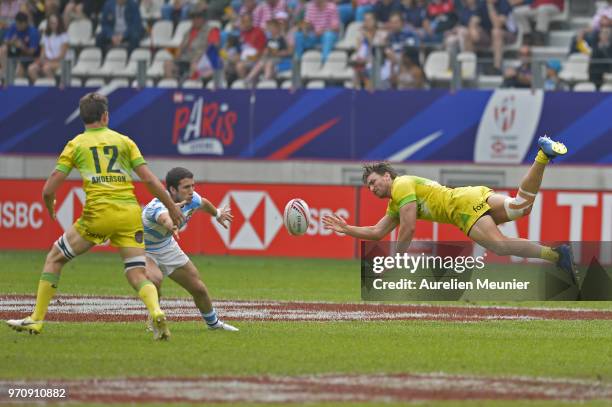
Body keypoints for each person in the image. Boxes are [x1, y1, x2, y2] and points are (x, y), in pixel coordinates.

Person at [5, 93, 185, 340]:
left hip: (98, 214)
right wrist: (172, 207)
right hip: (129, 213)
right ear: (105, 116)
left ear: (83, 118)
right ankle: (155, 309)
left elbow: (48, 189)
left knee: (55, 258)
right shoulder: (124, 141)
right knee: (137, 274)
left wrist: (50, 205)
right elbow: (149, 180)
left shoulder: (76, 144)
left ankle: (36, 319)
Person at [322, 136, 577, 282]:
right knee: (521, 207)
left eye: (373, 183)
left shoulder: (401, 185)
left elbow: (409, 227)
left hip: (460, 208)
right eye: (368, 187)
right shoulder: (397, 199)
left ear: (387, 176)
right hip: (469, 195)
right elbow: (377, 231)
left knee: (499, 245)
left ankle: (555, 256)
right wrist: (348, 229)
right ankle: (543, 156)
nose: (372, 189)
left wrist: (395, 259)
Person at [142, 167, 238, 333]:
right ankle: (154, 318)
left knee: (198, 288)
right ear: (172, 190)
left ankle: (213, 324)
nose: (192, 191)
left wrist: (217, 213)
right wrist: (171, 224)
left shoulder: (192, 198)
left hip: (166, 246)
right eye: (186, 187)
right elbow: (164, 218)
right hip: (143, 249)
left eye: (193, 185)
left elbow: (203, 203)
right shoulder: (157, 206)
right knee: (155, 280)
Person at [27, 12, 68, 82]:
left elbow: (62, 55)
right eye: (51, 23)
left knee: (46, 68)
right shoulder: (45, 36)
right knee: (31, 68)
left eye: (55, 23)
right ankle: (40, 86)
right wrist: (41, 61)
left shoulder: (64, 36)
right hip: (47, 61)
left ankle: (52, 89)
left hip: (60, 62)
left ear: (59, 23)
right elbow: (42, 53)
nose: (53, 25)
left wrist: (48, 61)